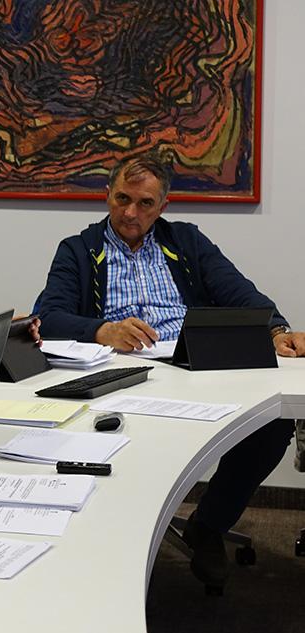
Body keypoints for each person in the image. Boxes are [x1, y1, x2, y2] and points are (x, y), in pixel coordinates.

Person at [36, 152, 305, 588]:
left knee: (273, 424)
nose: (130, 213)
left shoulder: (186, 241)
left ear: (163, 205)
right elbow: (48, 318)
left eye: (145, 203)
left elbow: (242, 294)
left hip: (193, 366)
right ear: (107, 195)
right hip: (120, 374)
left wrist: (277, 330)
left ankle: (210, 523)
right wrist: (102, 330)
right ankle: (102, 546)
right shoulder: (79, 250)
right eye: (122, 199)